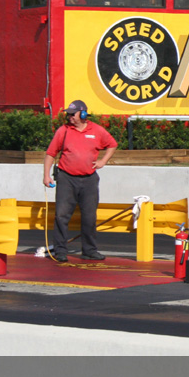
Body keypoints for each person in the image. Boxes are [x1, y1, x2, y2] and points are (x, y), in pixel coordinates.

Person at [42, 100, 118, 262]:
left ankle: (89, 250)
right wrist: (46, 175)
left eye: (73, 114)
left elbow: (112, 144)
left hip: (89, 179)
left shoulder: (96, 130)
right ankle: (60, 251)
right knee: (61, 215)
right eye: (68, 114)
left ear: (83, 114)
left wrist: (103, 161)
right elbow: (50, 154)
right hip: (66, 178)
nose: (70, 117)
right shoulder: (63, 131)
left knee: (89, 216)